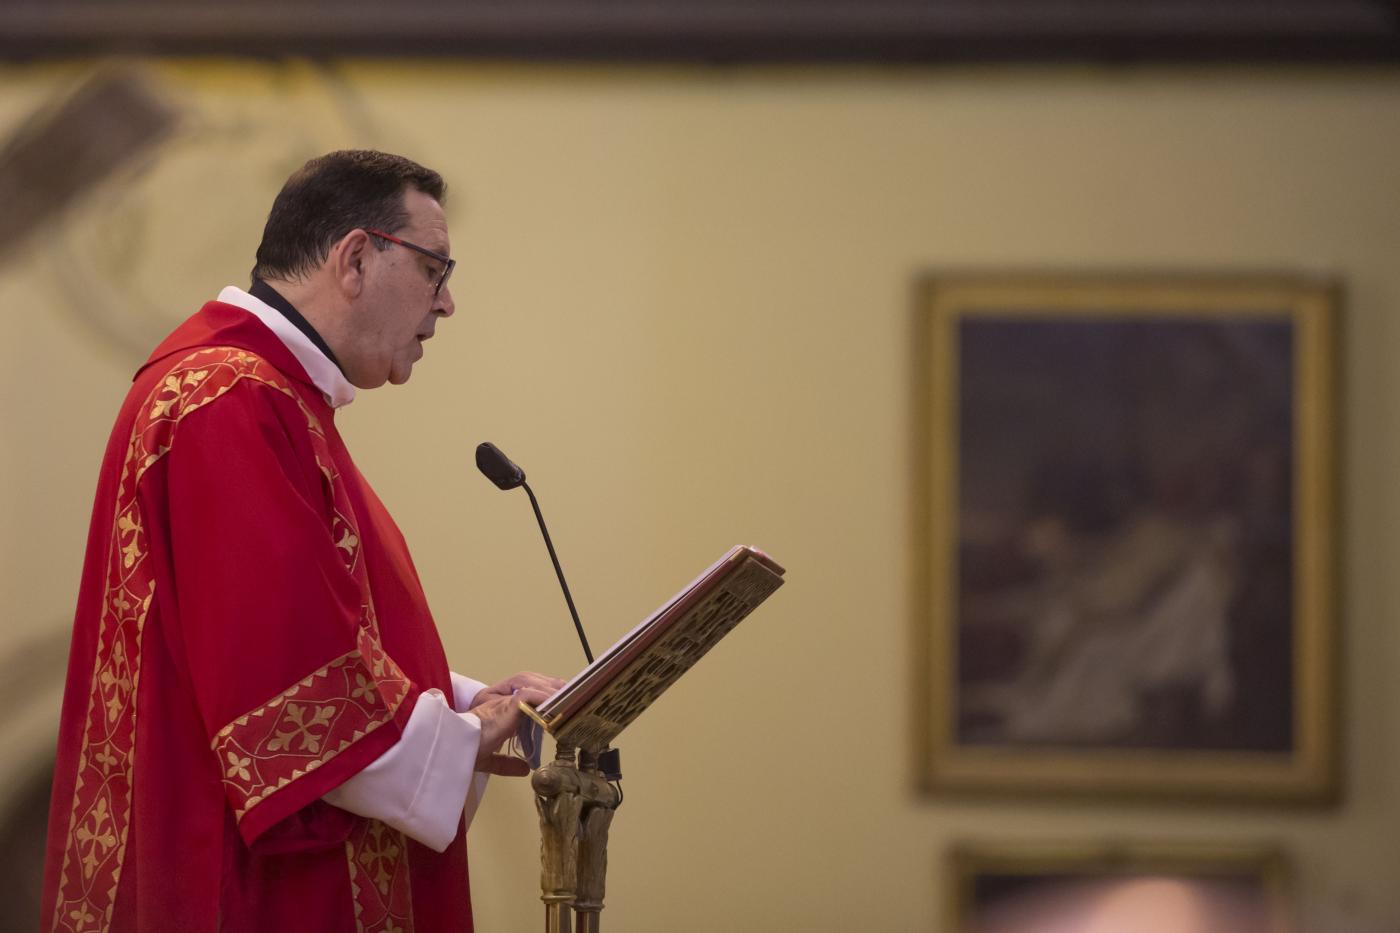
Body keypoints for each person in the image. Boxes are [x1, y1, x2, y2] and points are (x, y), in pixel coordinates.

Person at [40, 150, 561, 933]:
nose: (446, 302)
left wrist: (465, 706)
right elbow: (283, 688)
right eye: (434, 268)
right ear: (356, 257)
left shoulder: (262, 393)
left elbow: (308, 633)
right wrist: (463, 735)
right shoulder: (227, 399)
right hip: (237, 889)